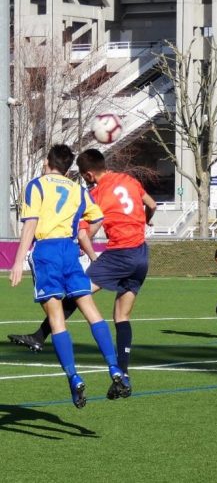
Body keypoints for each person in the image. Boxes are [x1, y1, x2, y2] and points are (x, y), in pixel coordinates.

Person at [8, 148, 157, 400]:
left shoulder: (51, 187)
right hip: (135, 253)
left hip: (73, 252)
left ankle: (62, 363)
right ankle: (118, 371)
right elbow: (148, 206)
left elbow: (42, 225)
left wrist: (18, 260)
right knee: (107, 313)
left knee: (65, 308)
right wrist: (143, 222)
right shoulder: (109, 184)